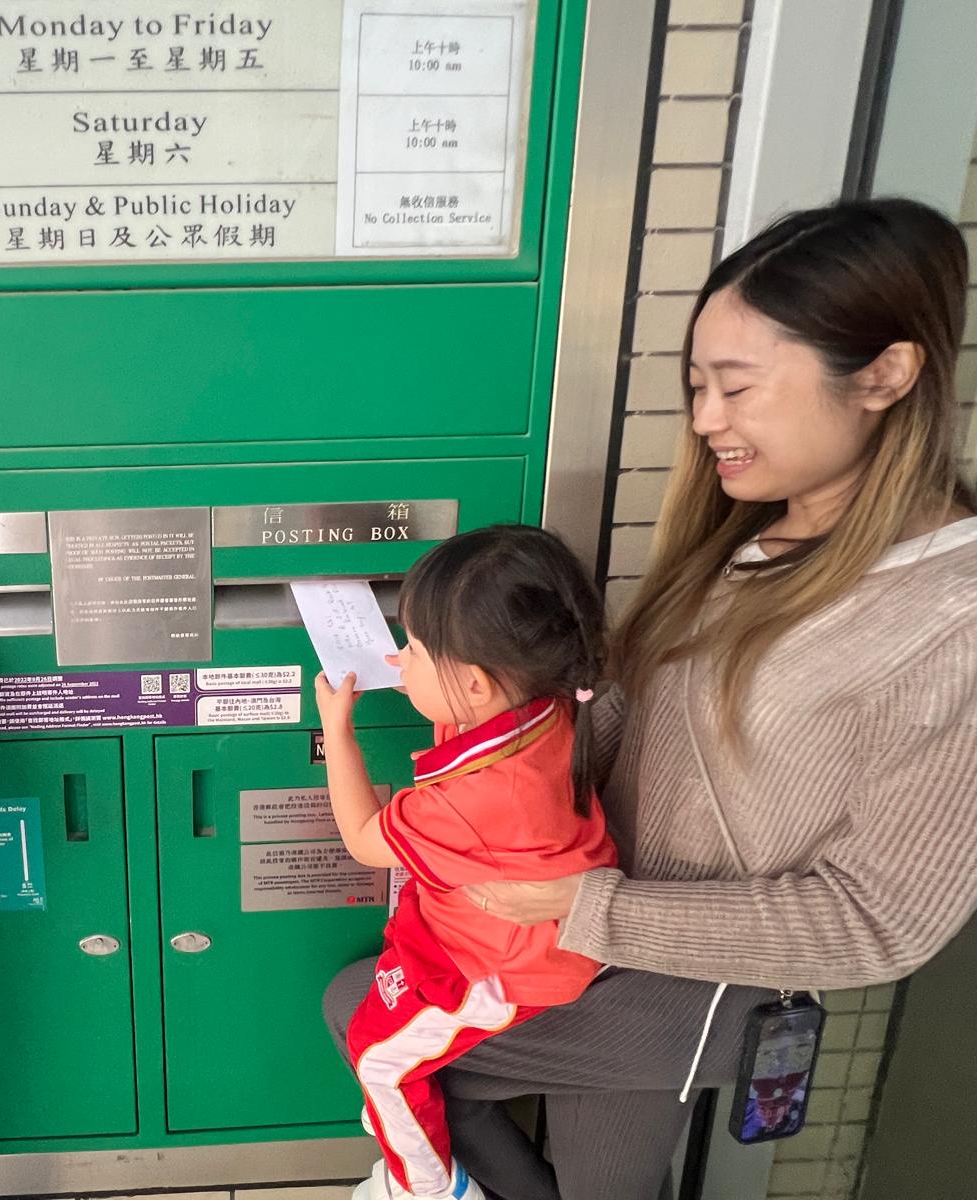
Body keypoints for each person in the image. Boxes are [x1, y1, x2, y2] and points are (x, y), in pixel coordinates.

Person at [324, 197, 977, 1200]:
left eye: (737, 387)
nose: (706, 419)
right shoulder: (751, 540)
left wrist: (588, 903)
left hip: (679, 983)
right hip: (580, 927)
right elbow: (632, 717)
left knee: (376, 1029)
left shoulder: (951, 621)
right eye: (695, 387)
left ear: (885, 375)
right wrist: (492, 776)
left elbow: (878, 921)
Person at [315, 525, 617, 1200]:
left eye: (414, 650)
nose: (396, 660)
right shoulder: (544, 703)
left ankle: (428, 1188)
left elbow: (363, 839)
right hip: (511, 928)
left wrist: (337, 730)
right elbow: (457, 707)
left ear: (476, 683)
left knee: (380, 1061)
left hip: (507, 968)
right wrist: (428, 676)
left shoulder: (476, 799)